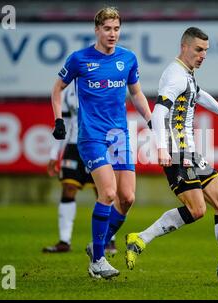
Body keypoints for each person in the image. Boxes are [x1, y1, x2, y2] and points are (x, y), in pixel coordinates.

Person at [125, 27, 218, 283]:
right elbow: (158, 113)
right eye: (199, 50)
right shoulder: (174, 76)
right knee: (197, 209)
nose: (203, 56)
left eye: (206, 51)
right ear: (185, 47)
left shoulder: (187, 75)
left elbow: (199, 95)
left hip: (190, 151)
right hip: (176, 152)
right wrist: (161, 149)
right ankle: (141, 238)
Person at [51, 7, 151, 279]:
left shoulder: (127, 59)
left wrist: (150, 118)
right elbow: (57, 88)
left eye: (116, 29)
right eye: (107, 29)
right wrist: (58, 119)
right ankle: (98, 259)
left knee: (128, 198)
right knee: (107, 193)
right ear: (96, 30)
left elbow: (137, 93)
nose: (112, 34)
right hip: (91, 136)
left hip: (119, 135)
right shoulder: (79, 59)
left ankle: (96, 245)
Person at [42, 84, 117, 255]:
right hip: (74, 146)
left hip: (98, 144)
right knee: (68, 188)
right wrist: (55, 153)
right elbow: (65, 123)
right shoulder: (68, 91)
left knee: (104, 192)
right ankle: (64, 241)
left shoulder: (103, 84)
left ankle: (109, 240)